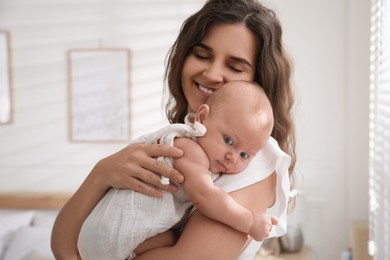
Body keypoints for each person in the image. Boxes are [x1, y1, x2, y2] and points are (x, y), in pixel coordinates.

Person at [51, 0, 296, 259]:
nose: (212, 74)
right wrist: (101, 174)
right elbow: (64, 249)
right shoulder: (176, 141)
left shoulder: (255, 164)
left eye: (234, 67)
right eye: (202, 55)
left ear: (259, 80)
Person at [78, 81, 276, 260]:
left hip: (91, 240)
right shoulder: (189, 149)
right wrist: (249, 222)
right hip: (111, 235)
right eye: (228, 140)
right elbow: (205, 196)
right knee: (172, 239)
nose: (231, 157)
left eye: (245, 155)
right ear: (202, 118)